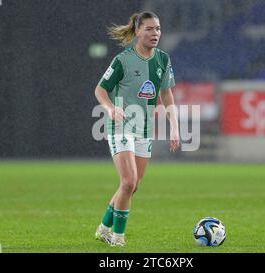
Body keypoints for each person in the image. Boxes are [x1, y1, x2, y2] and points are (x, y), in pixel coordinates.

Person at [93, 11, 180, 246]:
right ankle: (117, 238)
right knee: (129, 181)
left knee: (133, 186)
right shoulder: (123, 60)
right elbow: (100, 90)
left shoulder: (162, 59)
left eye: (158, 29)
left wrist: (174, 127)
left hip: (145, 129)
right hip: (121, 127)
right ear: (138, 31)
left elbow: (166, 95)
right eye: (150, 29)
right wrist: (111, 108)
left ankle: (103, 227)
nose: (155, 33)